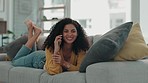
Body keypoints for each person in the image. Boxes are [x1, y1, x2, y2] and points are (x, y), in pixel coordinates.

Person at [12, 18, 89, 75]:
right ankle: (35, 34)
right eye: (66, 31)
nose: (70, 34)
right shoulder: (51, 46)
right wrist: (56, 50)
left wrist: (63, 62)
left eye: (73, 31)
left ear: (78, 33)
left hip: (45, 57)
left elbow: (80, 68)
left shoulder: (80, 49)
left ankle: (31, 29)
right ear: (61, 33)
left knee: (30, 53)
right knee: (15, 61)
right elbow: (54, 71)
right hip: (39, 59)